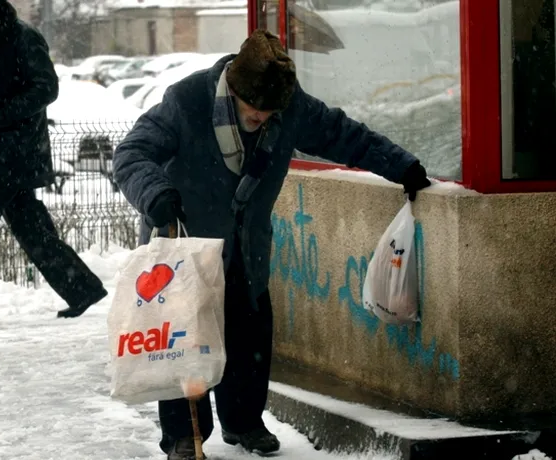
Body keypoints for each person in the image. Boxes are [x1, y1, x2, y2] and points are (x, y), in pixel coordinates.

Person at [112, 29, 431, 460]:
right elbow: (131, 154)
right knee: (184, 340)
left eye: (269, 113)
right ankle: (185, 436)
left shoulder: (290, 107)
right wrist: (155, 195)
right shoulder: (186, 102)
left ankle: (244, 423)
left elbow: (345, 136)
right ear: (234, 89)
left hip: (247, 244)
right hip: (185, 244)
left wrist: (402, 166)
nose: (261, 118)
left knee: (250, 335)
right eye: (253, 111)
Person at [0, 0, 108, 329]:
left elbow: (46, 88)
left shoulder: (24, 39)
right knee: (31, 227)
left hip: (15, 152)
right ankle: (81, 288)